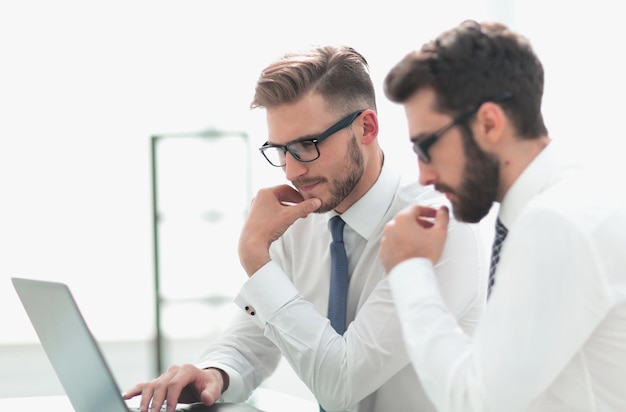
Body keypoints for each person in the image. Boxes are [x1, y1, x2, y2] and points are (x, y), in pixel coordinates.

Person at [124, 45, 486, 412]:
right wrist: (214, 373)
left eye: (306, 145)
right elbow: (250, 340)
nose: (292, 171)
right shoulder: (297, 222)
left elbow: (343, 385)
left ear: (366, 127)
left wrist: (256, 258)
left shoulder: (437, 228)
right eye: (281, 149)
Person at [379, 20, 626, 412]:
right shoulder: (577, 197)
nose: (423, 174)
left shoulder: (555, 223)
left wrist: (409, 269)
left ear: (489, 123)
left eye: (425, 147)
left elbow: (477, 400)